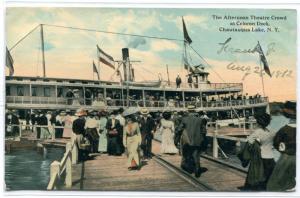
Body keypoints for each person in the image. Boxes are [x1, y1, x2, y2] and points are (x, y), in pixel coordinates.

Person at [267, 101, 296, 191]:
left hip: (287, 156)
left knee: (274, 184)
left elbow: (276, 143)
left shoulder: (284, 129)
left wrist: (283, 148)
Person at [242, 112, 275, 190]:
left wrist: (257, 145)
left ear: (258, 122)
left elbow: (249, 142)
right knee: (269, 178)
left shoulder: (257, 132)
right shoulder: (272, 132)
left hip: (261, 158)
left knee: (259, 178)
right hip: (271, 157)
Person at [176, 105, 208, 178]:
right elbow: (204, 131)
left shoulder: (184, 119)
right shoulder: (200, 119)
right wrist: (201, 138)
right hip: (197, 140)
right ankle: (197, 169)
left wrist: (177, 133)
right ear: (194, 111)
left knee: (187, 154)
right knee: (196, 155)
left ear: (188, 111)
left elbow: (179, 129)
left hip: (187, 140)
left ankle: (189, 169)